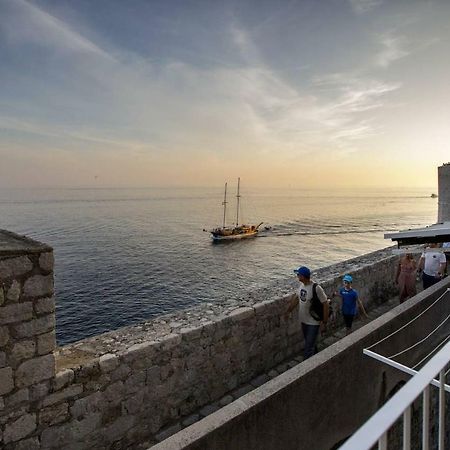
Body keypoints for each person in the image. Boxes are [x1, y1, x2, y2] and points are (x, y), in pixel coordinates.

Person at [291, 266, 329, 360]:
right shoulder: (302, 286)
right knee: (311, 342)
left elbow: (325, 304)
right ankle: (316, 360)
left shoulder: (316, 288)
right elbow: (297, 298)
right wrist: (288, 311)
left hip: (313, 322)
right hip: (304, 321)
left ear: (303, 276)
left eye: (298, 274)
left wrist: (324, 322)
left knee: (308, 347)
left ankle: (305, 370)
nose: (297, 276)